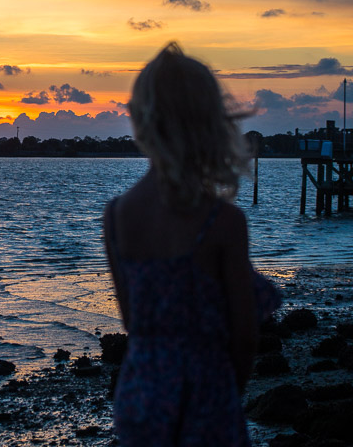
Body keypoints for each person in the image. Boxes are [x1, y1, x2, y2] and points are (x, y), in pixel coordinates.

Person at [103, 42, 280, 446]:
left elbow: (135, 322)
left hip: (140, 393)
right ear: (211, 125)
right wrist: (226, 391)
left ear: (140, 120)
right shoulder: (223, 222)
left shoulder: (116, 216)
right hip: (205, 390)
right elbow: (244, 333)